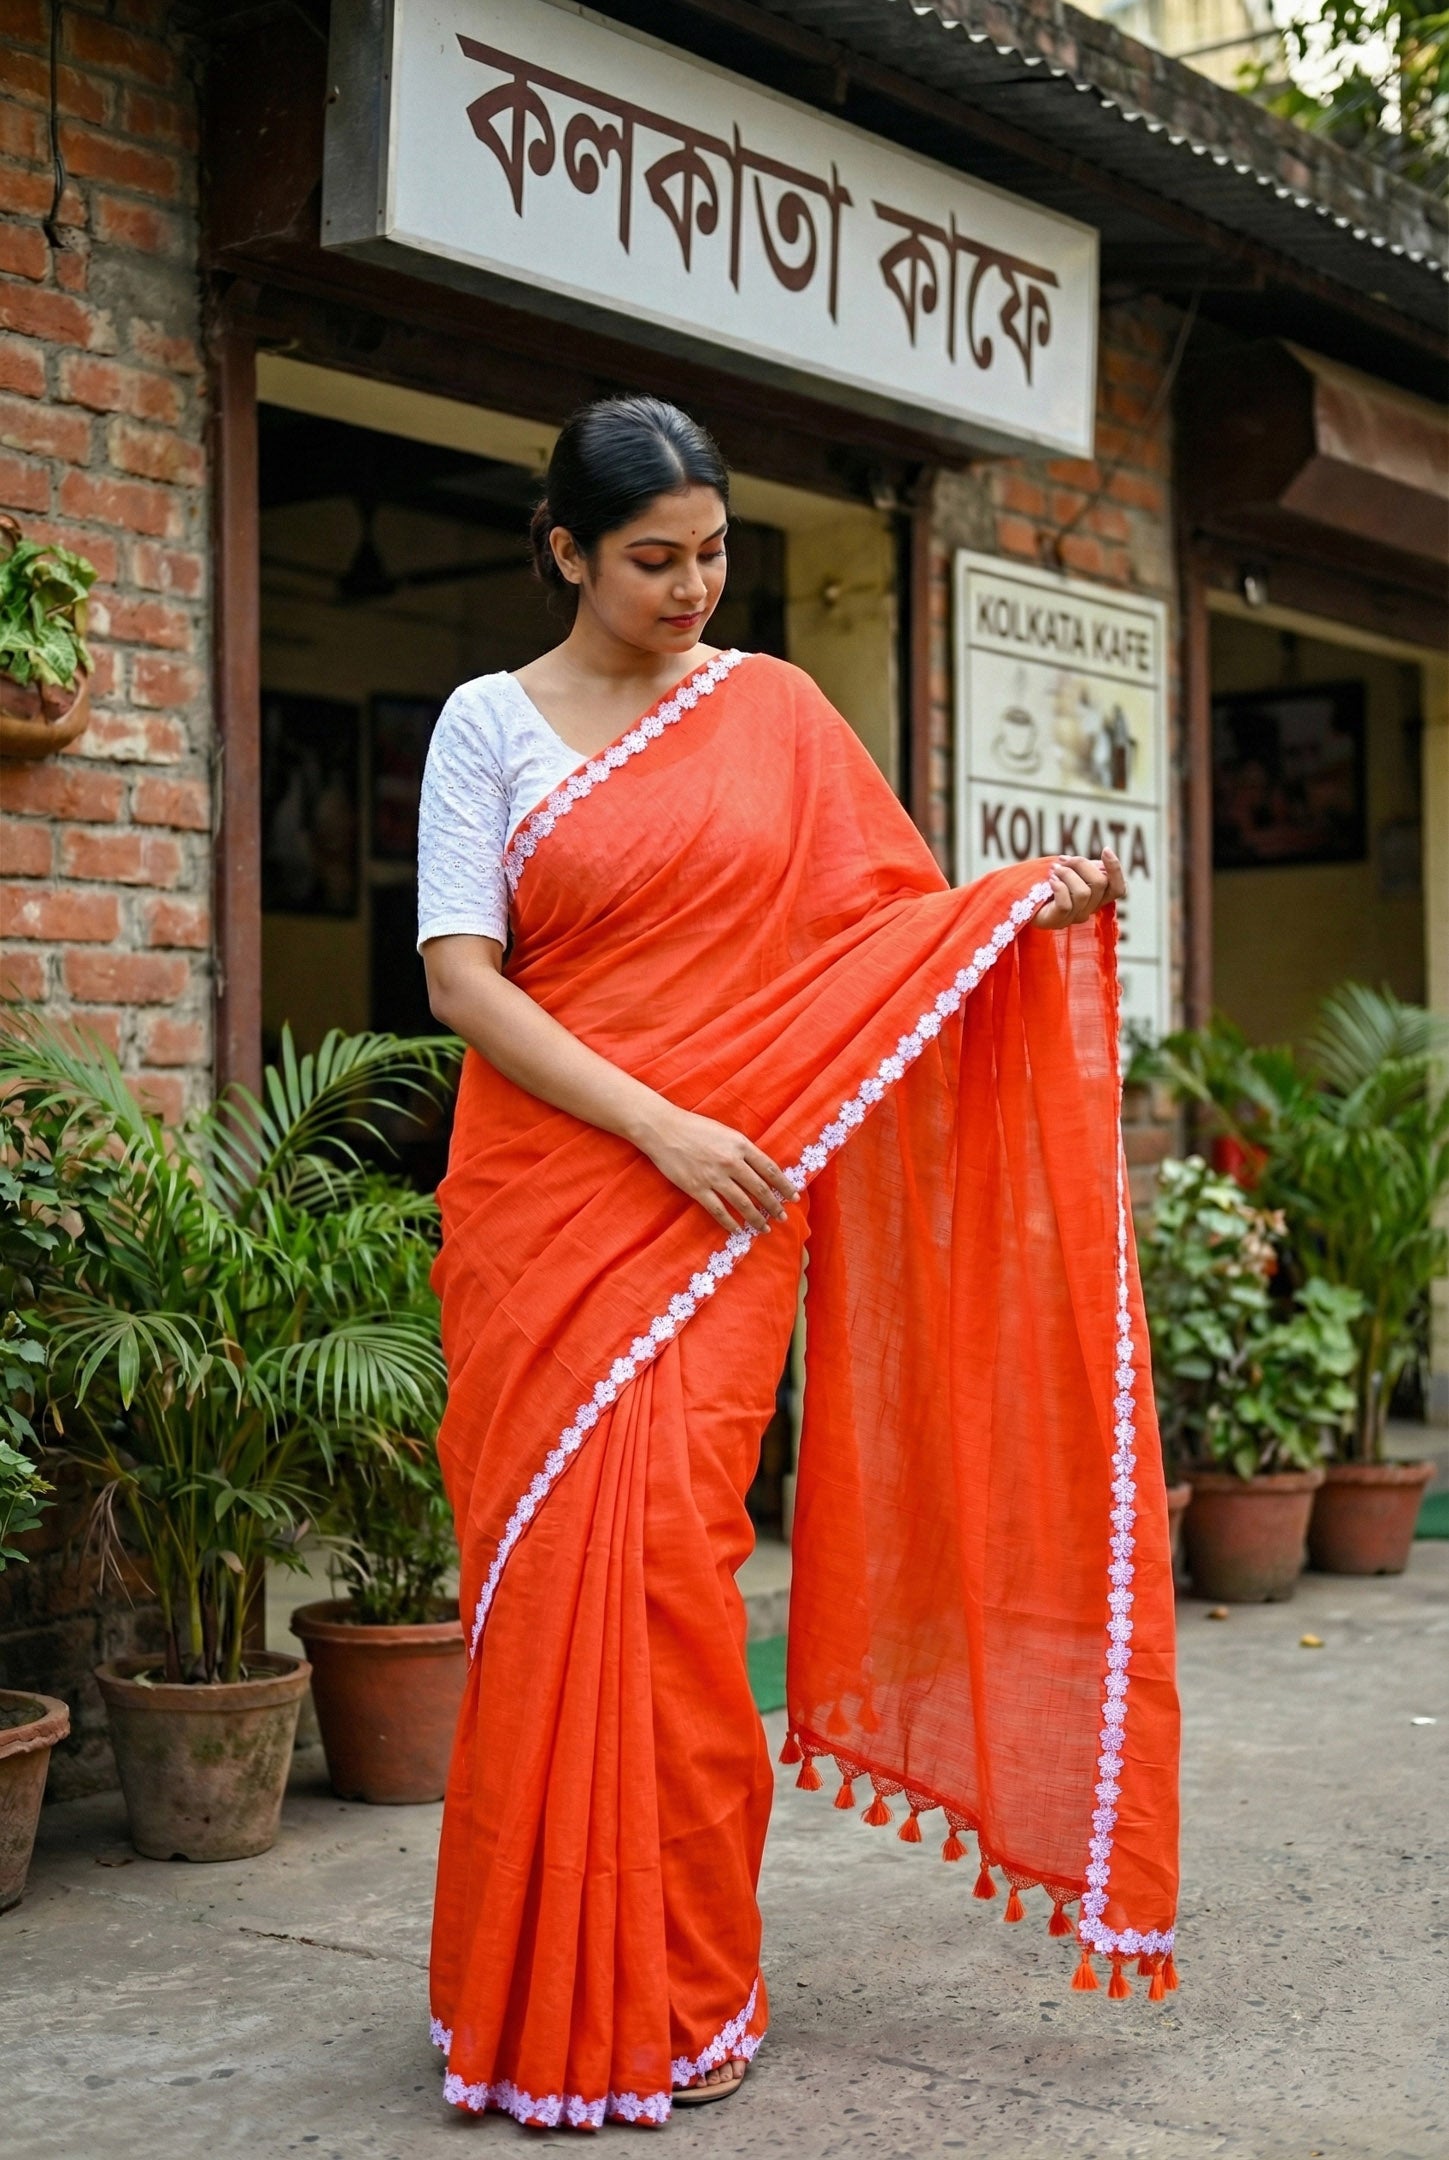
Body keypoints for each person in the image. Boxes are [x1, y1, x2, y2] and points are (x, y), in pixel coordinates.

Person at [418, 396, 1181, 2130]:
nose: (693, 587)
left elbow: (875, 934)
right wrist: (661, 1129)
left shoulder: (771, 711)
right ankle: (528, 2002)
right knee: (548, 1597)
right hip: (558, 1203)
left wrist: (1008, 910)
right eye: (652, 559)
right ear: (565, 553)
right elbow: (464, 979)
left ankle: (682, 1988)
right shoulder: (488, 725)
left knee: (677, 1589)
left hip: (722, 1218)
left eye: (712, 552)